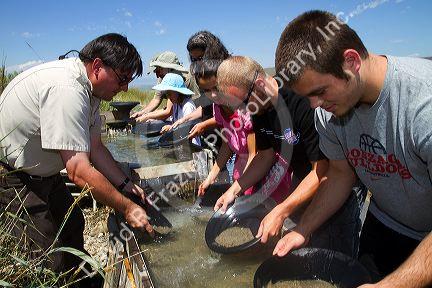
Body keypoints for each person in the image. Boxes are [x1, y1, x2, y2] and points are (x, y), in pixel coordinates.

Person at [274, 10, 432, 287]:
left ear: (351, 61)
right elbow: (339, 174)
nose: (314, 105)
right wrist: (304, 228)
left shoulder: (423, 105)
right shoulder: (328, 113)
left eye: (319, 91)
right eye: (306, 96)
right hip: (385, 223)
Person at [0, 33, 153, 280]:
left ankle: (83, 282)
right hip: (17, 179)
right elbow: (78, 171)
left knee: (73, 225)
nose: (125, 88)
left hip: (45, 174)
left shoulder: (90, 92)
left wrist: (126, 185)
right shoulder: (67, 89)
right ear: (97, 66)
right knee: (47, 259)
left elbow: (96, 148)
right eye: (122, 79)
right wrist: (127, 208)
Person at [215, 55, 366, 258]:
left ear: (259, 85)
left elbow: (321, 171)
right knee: (297, 243)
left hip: (336, 180)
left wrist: (282, 210)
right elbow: (265, 156)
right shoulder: (258, 108)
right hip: (304, 178)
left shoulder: (302, 101)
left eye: (242, 104)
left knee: (332, 253)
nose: (242, 112)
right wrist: (234, 189)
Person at [170, 31, 231, 141]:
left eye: (200, 58)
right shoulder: (204, 77)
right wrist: (184, 119)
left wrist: (204, 125)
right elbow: (206, 107)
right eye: (195, 60)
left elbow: (232, 115)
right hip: (222, 139)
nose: (198, 64)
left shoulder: (228, 73)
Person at [131, 51, 199, 122]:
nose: (157, 75)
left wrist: (147, 116)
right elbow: (156, 99)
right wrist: (142, 113)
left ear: (170, 69)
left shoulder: (187, 80)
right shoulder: (163, 78)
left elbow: (168, 111)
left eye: (158, 71)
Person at [151, 73, 201, 146]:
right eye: (166, 93)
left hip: (192, 146)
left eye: (170, 93)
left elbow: (186, 129)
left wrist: (171, 129)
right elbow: (177, 123)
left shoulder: (188, 106)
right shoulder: (176, 104)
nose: (168, 96)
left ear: (178, 92)